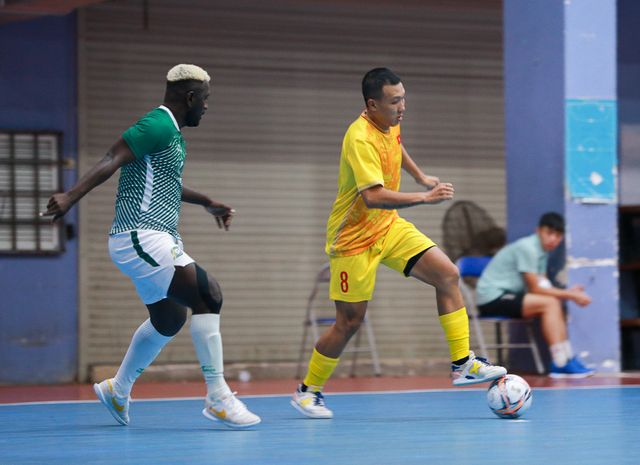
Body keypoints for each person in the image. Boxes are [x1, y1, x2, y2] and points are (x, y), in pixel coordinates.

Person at [41, 64, 261, 428]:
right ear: (190, 97)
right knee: (209, 294)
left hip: (152, 238)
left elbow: (166, 183)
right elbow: (112, 158)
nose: (206, 107)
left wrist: (207, 201)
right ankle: (218, 397)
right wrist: (70, 196)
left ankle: (117, 389)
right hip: (140, 235)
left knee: (169, 319)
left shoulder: (171, 134)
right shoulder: (156, 125)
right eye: (204, 99)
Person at [290, 67, 507, 419]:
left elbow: (397, 146)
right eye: (394, 101)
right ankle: (307, 390)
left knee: (447, 274)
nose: (402, 106)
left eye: (404, 98)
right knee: (349, 322)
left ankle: (463, 363)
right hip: (353, 240)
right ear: (372, 105)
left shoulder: (388, 122)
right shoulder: (359, 137)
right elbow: (373, 196)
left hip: (387, 227)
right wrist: (425, 198)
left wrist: (420, 176)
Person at [476, 212, 595, 378]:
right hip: (492, 298)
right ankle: (559, 362)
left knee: (552, 301)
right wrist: (570, 295)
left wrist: (568, 292)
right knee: (550, 303)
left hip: (510, 296)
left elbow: (544, 284)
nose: (554, 239)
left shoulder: (542, 252)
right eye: (550, 233)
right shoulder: (528, 248)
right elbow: (535, 289)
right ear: (538, 230)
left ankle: (566, 358)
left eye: (558, 235)